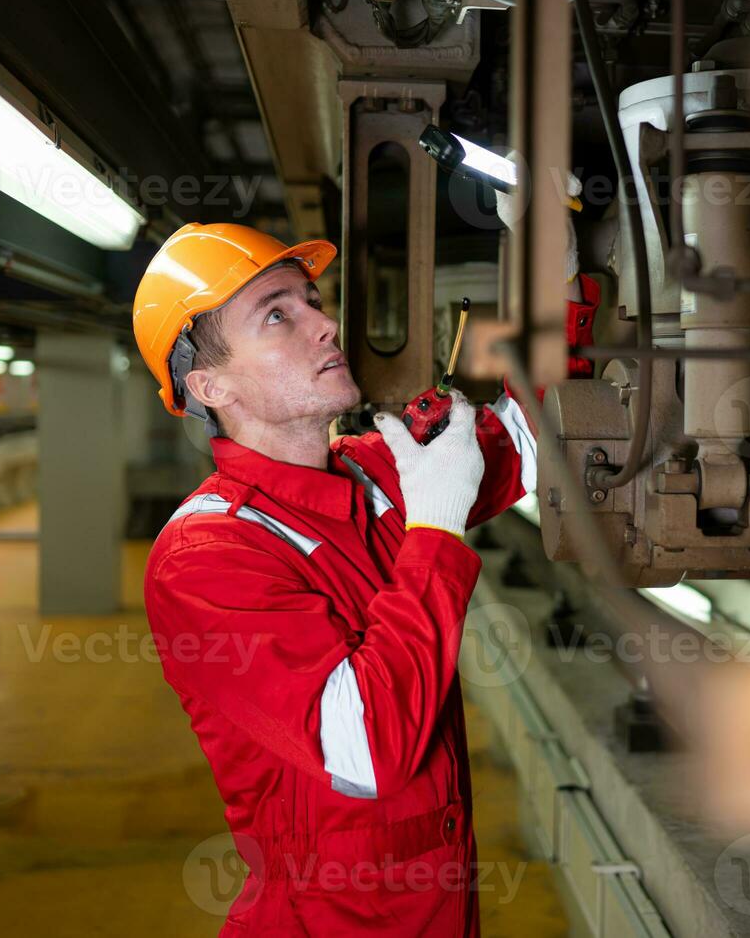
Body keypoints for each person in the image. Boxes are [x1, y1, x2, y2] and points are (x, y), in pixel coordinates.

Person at [131, 213, 597, 935]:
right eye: (277, 315)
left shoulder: (372, 471)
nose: (323, 325)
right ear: (210, 385)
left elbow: (527, 438)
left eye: (311, 302)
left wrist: (551, 282)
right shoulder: (206, 556)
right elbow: (364, 751)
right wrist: (436, 531)